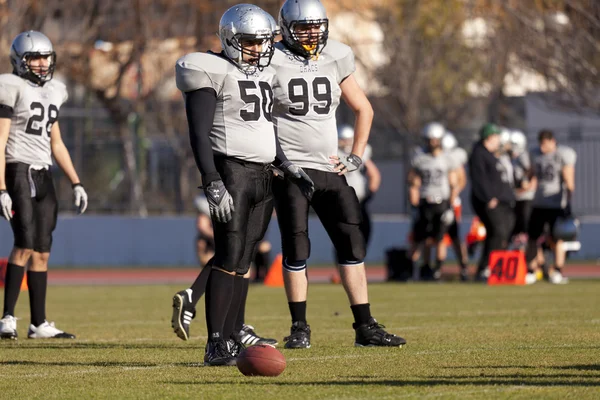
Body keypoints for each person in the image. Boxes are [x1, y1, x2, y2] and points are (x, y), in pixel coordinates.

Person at [174, 4, 313, 366]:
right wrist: (211, 180)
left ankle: (233, 335)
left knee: (245, 260)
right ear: (231, 40)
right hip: (231, 171)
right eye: (251, 42)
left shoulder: (263, 73)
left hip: (265, 174)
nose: (259, 49)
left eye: (264, 42)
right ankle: (215, 342)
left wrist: (287, 163)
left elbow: (264, 128)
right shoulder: (209, 69)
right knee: (227, 256)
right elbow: (199, 135)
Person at [271, 0, 405, 349]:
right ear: (285, 28)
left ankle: (365, 326)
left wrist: (357, 156)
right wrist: (275, 159)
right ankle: (299, 326)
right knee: (297, 248)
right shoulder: (269, 58)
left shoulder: (337, 54)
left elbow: (364, 107)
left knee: (352, 245)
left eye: (316, 26)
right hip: (292, 171)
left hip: (331, 168)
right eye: (302, 27)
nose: (312, 33)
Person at [0, 31, 88, 340]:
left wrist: (76, 181)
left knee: (42, 252)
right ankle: (7, 317)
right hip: (18, 169)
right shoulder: (11, 87)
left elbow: (57, 142)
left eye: (45, 57)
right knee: (23, 243)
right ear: (19, 61)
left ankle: (38, 323)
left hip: (44, 173)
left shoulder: (56, 91)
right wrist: (0, 187)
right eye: (34, 58)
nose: (41, 63)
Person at [407, 122, 458, 281]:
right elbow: (413, 182)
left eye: (435, 140)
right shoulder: (420, 157)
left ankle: (437, 270)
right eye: (430, 140)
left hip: (441, 202)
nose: (433, 143)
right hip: (425, 201)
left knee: (440, 239)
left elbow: (453, 183)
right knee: (419, 238)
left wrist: (451, 206)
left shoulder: (447, 158)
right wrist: (414, 205)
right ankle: (414, 270)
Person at [525, 129, 576, 285]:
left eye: (545, 144)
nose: (543, 148)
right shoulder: (535, 154)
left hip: (556, 204)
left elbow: (569, 179)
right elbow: (531, 175)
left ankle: (558, 270)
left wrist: (568, 202)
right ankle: (532, 270)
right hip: (539, 202)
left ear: (553, 141)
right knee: (533, 238)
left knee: (556, 238)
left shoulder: (563, 154)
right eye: (541, 144)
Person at [468, 123, 515, 281]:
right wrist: (488, 197)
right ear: (489, 137)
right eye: (497, 137)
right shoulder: (479, 154)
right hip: (488, 201)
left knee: (499, 233)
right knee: (498, 231)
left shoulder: (490, 153)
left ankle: (487, 267)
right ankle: (488, 267)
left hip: (501, 200)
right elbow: (479, 179)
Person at [337, 124, 380, 246]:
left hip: (359, 200)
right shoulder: (333, 152)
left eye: (348, 140)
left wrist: (370, 194)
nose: (345, 143)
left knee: (363, 232)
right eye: (342, 140)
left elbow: (374, 174)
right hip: (340, 200)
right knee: (343, 234)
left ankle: (357, 258)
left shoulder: (361, 152)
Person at [440, 131, 469, 281]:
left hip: (451, 203)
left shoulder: (454, 160)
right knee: (434, 238)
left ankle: (463, 267)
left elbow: (461, 180)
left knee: (454, 237)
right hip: (435, 202)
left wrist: (453, 195)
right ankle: (434, 269)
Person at [509, 130, 534, 247]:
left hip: (524, 196)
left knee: (524, 224)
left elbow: (530, 170)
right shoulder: (513, 157)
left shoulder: (523, 155)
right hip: (517, 196)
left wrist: (526, 182)